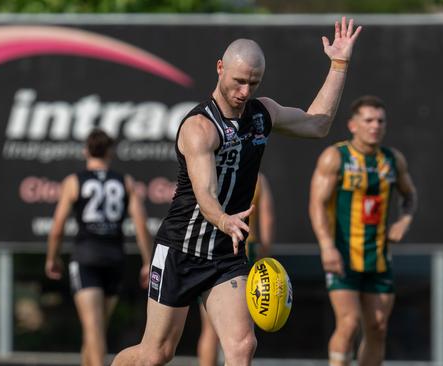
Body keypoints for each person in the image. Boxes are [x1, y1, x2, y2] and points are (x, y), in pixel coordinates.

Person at [112, 16, 362, 366]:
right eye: (239, 81)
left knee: (242, 346)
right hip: (181, 250)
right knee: (156, 354)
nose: (245, 91)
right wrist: (223, 219)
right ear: (219, 69)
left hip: (225, 255)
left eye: (253, 83)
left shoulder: (263, 113)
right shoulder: (199, 127)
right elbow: (205, 193)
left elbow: (318, 123)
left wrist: (339, 64)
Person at [308, 95, 418, 366]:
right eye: (368, 120)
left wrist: (404, 220)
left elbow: (410, 195)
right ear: (353, 125)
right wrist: (326, 246)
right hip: (343, 256)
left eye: (380, 120)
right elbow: (317, 204)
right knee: (349, 323)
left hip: (378, 258)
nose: (375, 126)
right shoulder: (337, 157)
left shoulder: (392, 160)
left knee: (378, 327)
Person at [45, 129, 153, 366]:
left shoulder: (74, 181)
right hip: (114, 258)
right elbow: (141, 225)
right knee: (95, 330)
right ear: (110, 152)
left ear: (86, 150)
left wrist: (51, 258)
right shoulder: (124, 181)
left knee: (94, 331)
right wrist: (147, 262)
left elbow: (57, 227)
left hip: (86, 258)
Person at [197, 172, 275, 366]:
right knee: (242, 335)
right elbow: (268, 221)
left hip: (209, 254)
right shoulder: (257, 179)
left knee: (209, 330)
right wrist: (264, 258)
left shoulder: (208, 176)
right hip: (244, 256)